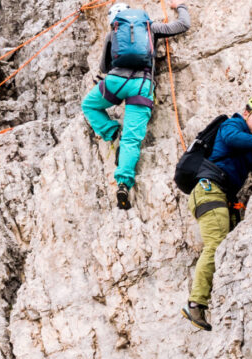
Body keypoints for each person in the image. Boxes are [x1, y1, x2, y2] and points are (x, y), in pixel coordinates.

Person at [182, 95, 252, 331]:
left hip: (221, 196)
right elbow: (232, 139)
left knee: (227, 248)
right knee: (216, 244)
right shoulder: (232, 125)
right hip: (209, 191)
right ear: (246, 112)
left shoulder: (250, 146)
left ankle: (211, 299)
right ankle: (196, 303)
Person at [82, 1, 191, 210]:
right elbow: (183, 25)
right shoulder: (151, 28)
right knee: (131, 138)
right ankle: (123, 182)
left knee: (89, 105)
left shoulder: (113, 33)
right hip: (142, 85)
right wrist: (181, 6)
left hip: (115, 82)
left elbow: (104, 66)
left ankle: (112, 132)